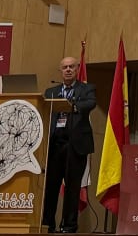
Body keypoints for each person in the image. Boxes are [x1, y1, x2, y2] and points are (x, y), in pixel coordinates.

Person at [42, 57, 96, 234]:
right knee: (51, 187)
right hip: (55, 146)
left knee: (72, 188)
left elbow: (90, 103)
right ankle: (47, 225)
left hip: (75, 146)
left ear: (77, 69)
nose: (68, 70)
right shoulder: (51, 92)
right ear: (60, 70)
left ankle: (69, 226)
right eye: (64, 67)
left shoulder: (86, 89)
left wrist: (70, 104)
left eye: (71, 67)